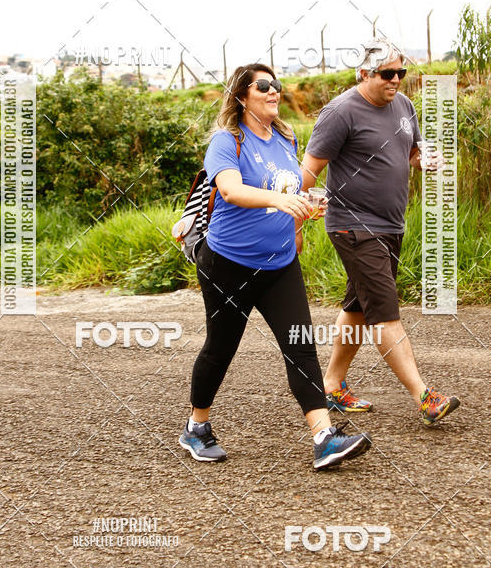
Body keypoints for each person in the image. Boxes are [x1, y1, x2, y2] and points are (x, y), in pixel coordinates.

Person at [179, 63, 372, 469]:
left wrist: (301, 217)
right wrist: (277, 201)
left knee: (301, 344)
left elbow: (292, 190)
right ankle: (197, 427)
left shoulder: (286, 138)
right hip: (229, 264)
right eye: (263, 85)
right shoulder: (226, 141)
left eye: (276, 85)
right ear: (241, 96)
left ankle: (324, 439)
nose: (273, 91)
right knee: (221, 347)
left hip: (280, 263)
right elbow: (230, 190)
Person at [301, 39, 460, 426]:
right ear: (364, 74)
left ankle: (332, 386)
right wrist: (291, 212)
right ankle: (425, 397)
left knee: (357, 307)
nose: (396, 81)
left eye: (401, 73)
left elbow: (409, 152)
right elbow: (308, 171)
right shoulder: (340, 112)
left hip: (390, 224)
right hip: (353, 226)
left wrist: (425, 159)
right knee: (385, 314)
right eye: (387, 74)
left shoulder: (404, 106)